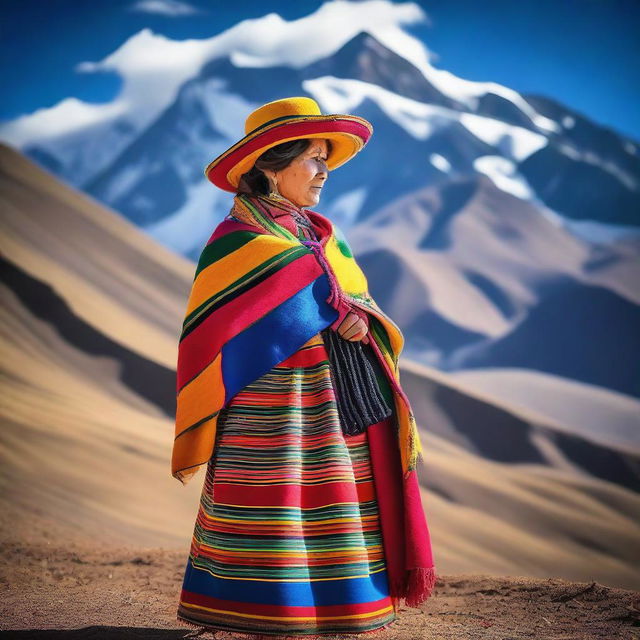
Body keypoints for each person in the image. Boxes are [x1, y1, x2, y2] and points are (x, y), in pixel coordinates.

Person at [172, 96, 436, 638]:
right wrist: (321, 308)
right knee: (274, 498)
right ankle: (259, 611)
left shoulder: (321, 237)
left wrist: (362, 323)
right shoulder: (236, 245)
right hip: (267, 408)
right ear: (270, 163)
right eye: (313, 158)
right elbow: (216, 329)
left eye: (325, 159)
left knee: (331, 499)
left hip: (336, 403)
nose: (324, 171)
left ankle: (339, 608)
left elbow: (353, 300)